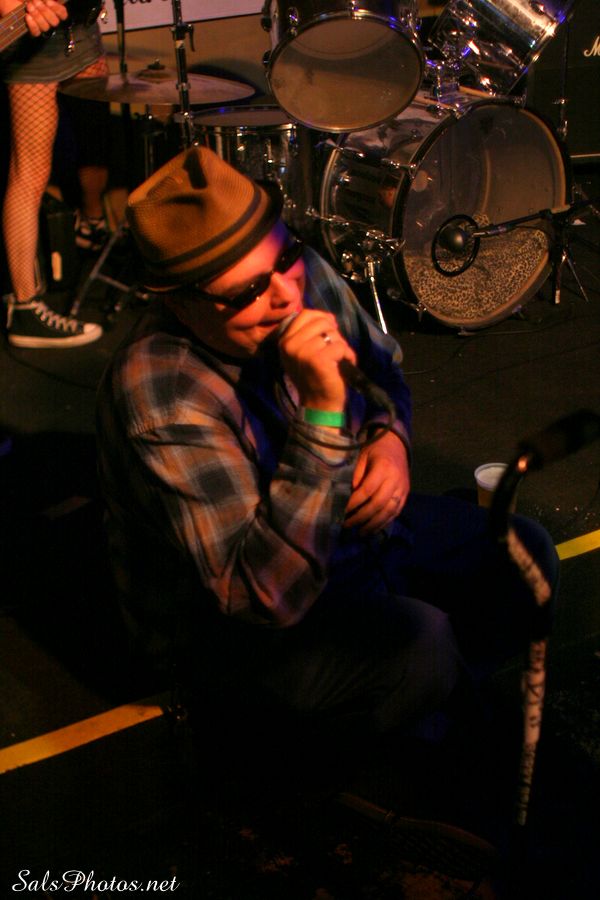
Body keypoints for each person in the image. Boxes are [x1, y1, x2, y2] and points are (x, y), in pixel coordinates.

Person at [96, 147, 559, 785]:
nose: (285, 295)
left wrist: (390, 440)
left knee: (525, 558)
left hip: (337, 531)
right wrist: (323, 412)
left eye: (283, 257)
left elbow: (380, 370)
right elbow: (262, 595)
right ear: (180, 304)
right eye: (247, 291)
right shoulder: (165, 390)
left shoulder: (297, 274)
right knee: (419, 647)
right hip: (235, 626)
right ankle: (302, 762)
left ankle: (426, 706)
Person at [1, 0, 104, 348]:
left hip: (78, 25)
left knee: (94, 123)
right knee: (30, 172)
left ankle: (91, 226)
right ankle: (25, 307)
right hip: (33, 40)